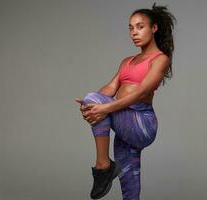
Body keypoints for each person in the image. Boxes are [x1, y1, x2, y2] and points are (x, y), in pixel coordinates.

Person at [75, 3, 176, 200]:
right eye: (131, 28)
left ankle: (103, 166)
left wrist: (102, 106)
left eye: (140, 27)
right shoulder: (127, 61)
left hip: (142, 122)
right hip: (124, 121)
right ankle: (110, 171)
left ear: (153, 28)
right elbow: (109, 89)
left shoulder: (160, 59)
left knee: (96, 101)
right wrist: (90, 105)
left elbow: (140, 93)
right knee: (129, 184)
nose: (134, 33)